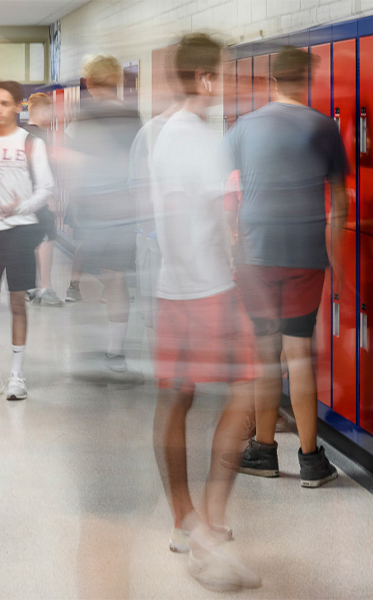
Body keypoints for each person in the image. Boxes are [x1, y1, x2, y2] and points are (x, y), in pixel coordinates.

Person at [151, 33, 260, 592]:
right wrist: (227, 278)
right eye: (225, 73)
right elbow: (204, 218)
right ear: (205, 78)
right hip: (207, 291)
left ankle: (185, 522)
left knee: (177, 398)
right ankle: (207, 529)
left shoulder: (173, 131)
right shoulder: (192, 137)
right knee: (247, 394)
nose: (231, 83)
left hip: (179, 289)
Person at [222, 46, 347, 488]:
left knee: (266, 355)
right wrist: (336, 259)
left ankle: (264, 451)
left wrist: (230, 242)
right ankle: (312, 460)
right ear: (306, 81)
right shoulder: (324, 126)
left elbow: (225, 191)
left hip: (256, 255)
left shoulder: (243, 126)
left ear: (272, 81)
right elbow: (340, 204)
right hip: (305, 256)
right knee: (299, 354)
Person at [0, 81, 55, 401]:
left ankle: (17, 373)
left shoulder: (32, 143)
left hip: (20, 230)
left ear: (19, 106)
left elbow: (46, 188)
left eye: (5, 103)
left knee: (18, 301)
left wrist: (19, 207)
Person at [63, 54, 142, 381]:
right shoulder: (132, 115)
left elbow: (73, 164)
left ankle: (98, 346)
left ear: (90, 83)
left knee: (99, 276)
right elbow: (137, 161)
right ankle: (115, 350)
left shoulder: (84, 117)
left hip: (94, 210)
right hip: (124, 209)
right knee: (116, 279)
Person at [24, 93, 63, 307]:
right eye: (49, 111)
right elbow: (42, 170)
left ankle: (30, 287)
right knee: (47, 239)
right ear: (40, 111)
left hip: (25, 197)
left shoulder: (22, 134)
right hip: (39, 198)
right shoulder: (40, 137)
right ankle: (46, 288)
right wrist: (50, 199)